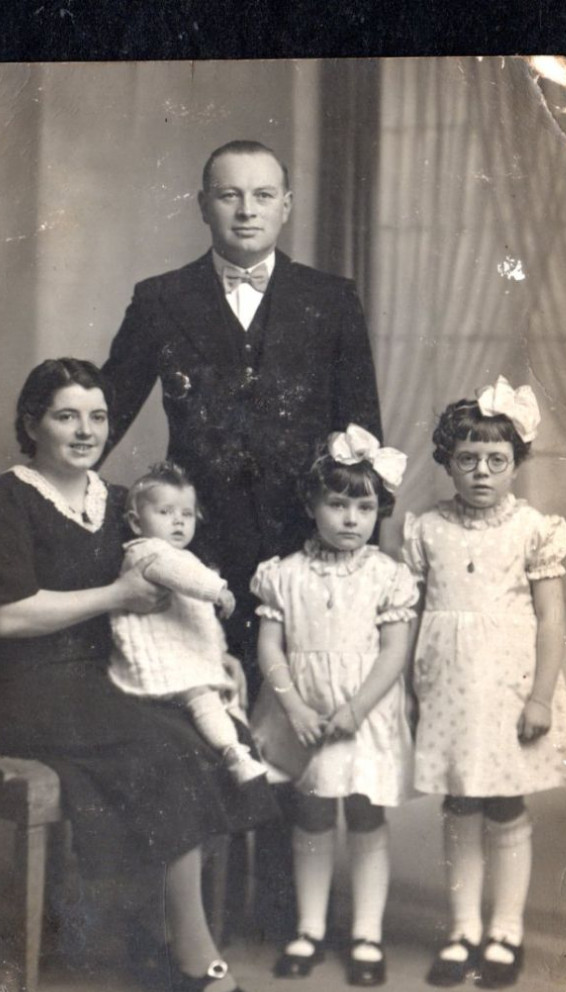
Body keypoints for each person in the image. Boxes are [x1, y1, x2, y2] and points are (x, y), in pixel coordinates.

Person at [0, 358, 278, 992]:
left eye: (97, 416)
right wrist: (116, 593)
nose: (84, 430)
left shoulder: (125, 500)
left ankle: (145, 930)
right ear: (32, 422)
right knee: (166, 752)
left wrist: (209, 666)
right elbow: (5, 618)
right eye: (66, 415)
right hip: (21, 688)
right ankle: (194, 958)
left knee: (208, 736)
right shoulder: (1, 498)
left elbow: (172, 595)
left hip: (107, 679)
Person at [101, 140, 381, 686]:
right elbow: (108, 410)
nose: (247, 210)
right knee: (208, 684)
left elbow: (363, 429)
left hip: (306, 531)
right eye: (229, 195)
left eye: (262, 195)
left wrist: (360, 546)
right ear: (203, 205)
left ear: (286, 205)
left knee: (309, 689)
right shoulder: (161, 298)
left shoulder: (331, 298)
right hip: (199, 533)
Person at [402, 376, 566, 989]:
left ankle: (505, 929)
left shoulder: (533, 528)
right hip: (449, 687)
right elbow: (409, 615)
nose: (481, 472)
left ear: (516, 464)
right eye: (468, 460)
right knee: (459, 800)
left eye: (496, 461)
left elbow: (552, 619)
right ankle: (462, 929)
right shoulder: (425, 530)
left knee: (506, 801)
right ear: (448, 465)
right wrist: (408, 692)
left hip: (510, 689)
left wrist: (539, 697)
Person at [249, 424, 419, 986]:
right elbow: (270, 645)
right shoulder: (283, 576)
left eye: (364, 507)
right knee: (313, 812)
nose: (351, 519)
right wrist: (293, 705)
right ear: (312, 504)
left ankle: (366, 933)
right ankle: (310, 928)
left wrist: (356, 710)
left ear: (379, 512)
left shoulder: (387, 576)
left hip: (362, 716)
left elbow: (395, 651)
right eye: (338, 504)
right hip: (303, 715)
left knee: (367, 813)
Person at [108, 460, 267, 786]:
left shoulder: (186, 557)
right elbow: (180, 575)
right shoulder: (145, 552)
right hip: (157, 660)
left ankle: (241, 742)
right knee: (203, 697)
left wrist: (219, 655)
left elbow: (202, 622)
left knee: (227, 700)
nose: (178, 522)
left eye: (187, 514)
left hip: (185, 653)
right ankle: (232, 752)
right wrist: (217, 589)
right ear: (137, 523)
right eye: (165, 513)